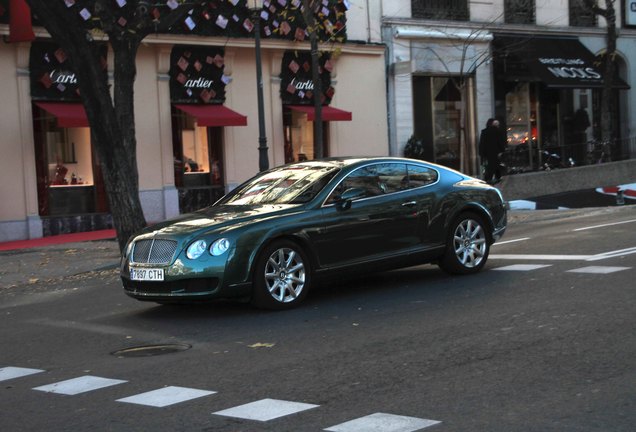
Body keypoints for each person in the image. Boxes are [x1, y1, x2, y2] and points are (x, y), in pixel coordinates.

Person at [479, 118, 507, 184]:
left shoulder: (484, 131)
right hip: (495, 152)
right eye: (497, 124)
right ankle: (496, 178)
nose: (498, 125)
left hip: (487, 153)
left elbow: (482, 143)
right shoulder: (498, 131)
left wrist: (481, 153)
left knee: (489, 166)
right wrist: (502, 150)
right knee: (496, 165)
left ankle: (488, 178)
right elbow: (500, 142)